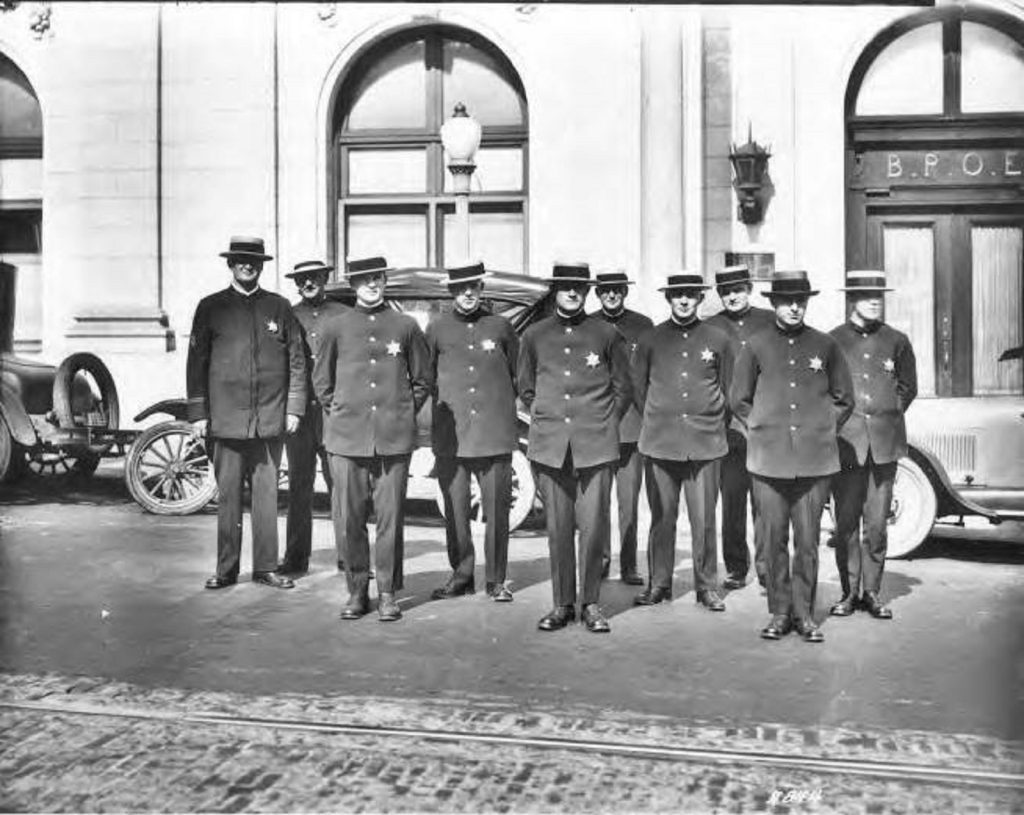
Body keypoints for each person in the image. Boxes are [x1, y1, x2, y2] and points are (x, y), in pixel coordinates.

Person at [731, 270, 854, 643]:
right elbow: (738, 398)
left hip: (815, 463)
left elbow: (844, 398)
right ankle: (779, 612)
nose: (794, 308)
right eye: (787, 302)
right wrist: (762, 428)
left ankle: (804, 614)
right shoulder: (755, 344)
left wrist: (821, 428)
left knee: (807, 541)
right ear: (774, 304)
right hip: (768, 462)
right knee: (773, 540)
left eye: (801, 301)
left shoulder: (826, 345)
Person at [313, 256, 431, 622]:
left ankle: (389, 592)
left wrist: (398, 412)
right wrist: (348, 413)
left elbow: (423, 379)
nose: (372, 285)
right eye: (364, 280)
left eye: (377, 278)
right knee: (349, 519)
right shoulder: (336, 327)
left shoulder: (406, 325)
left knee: (390, 519)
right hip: (347, 439)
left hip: (393, 439)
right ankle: (357, 591)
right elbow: (322, 382)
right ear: (353, 285)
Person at [186, 235, 306, 590]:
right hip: (225, 420)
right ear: (230, 264)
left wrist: (294, 408)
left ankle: (266, 567)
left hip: (270, 419)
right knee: (229, 498)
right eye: (240, 259)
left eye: (253, 260)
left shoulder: (280, 307)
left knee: (267, 498)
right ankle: (226, 569)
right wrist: (198, 414)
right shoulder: (210, 307)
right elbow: (196, 363)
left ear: (262, 266)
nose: (247, 265)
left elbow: (296, 361)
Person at [517, 262, 632, 633]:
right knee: (558, 528)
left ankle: (592, 603)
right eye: (566, 287)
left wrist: (601, 424)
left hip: (595, 446)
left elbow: (623, 388)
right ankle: (561, 603)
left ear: (587, 292)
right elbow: (526, 386)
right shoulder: (535, 335)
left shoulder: (606, 334)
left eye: (579, 288)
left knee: (594, 525)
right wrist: (549, 418)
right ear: (556, 291)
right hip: (551, 446)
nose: (572, 293)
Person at [632, 273, 733, 611]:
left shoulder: (718, 339)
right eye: (678, 295)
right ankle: (659, 584)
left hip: (705, 444)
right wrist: (663, 417)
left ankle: (706, 586)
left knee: (704, 519)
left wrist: (712, 423)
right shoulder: (650, 340)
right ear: (668, 299)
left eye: (691, 295)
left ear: (700, 299)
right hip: (661, 443)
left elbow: (729, 389)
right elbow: (638, 390)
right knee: (662, 517)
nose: (685, 301)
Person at [426, 261, 519, 603]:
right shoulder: (436, 329)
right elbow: (424, 379)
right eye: (460, 288)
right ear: (451, 292)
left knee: (497, 512)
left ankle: (496, 580)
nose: (467, 294)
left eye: (473, 287)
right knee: (455, 510)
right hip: (452, 438)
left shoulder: (501, 327)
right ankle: (462, 575)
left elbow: (519, 374)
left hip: (494, 435)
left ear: (482, 290)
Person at [829, 270, 917, 619]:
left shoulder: (897, 340)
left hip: (884, 444)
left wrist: (885, 414)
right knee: (846, 523)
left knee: (877, 523)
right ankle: (848, 592)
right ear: (852, 299)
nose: (874, 301)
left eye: (879, 296)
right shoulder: (832, 341)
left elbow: (908, 387)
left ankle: (872, 591)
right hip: (847, 445)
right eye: (867, 296)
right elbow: (827, 391)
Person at [276, 259, 349, 577]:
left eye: (315, 277)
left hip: (334, 413)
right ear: (297, 283)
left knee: (341, 486)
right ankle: (295, 559)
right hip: (301, 415)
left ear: (325, 279)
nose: (309, 283)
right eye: (303, 279)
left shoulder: (343, 315)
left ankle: (350, 558)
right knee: (299, 485)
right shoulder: (288, 315)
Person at [705, 264, 775, 590]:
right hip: (728, 429)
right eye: (726, 292)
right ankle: (735, 567)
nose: (732, 296)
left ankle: (766, 567)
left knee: (764, 502)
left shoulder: (769, 322)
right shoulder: (711, 327)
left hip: (764, 427)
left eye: (738, 289)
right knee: (732, 501)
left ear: (749, 288)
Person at [592, 269, 653, 585]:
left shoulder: (643, 326)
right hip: (599, 426)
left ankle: (629, 565)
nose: (612, 295)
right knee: (598, 502)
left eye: (617, 290)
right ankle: (600, 561)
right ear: (597, 294)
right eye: (605, 290)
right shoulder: (588, 325)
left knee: (628, 503)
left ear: (625, 293)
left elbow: (649, 375)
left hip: (632, 427)